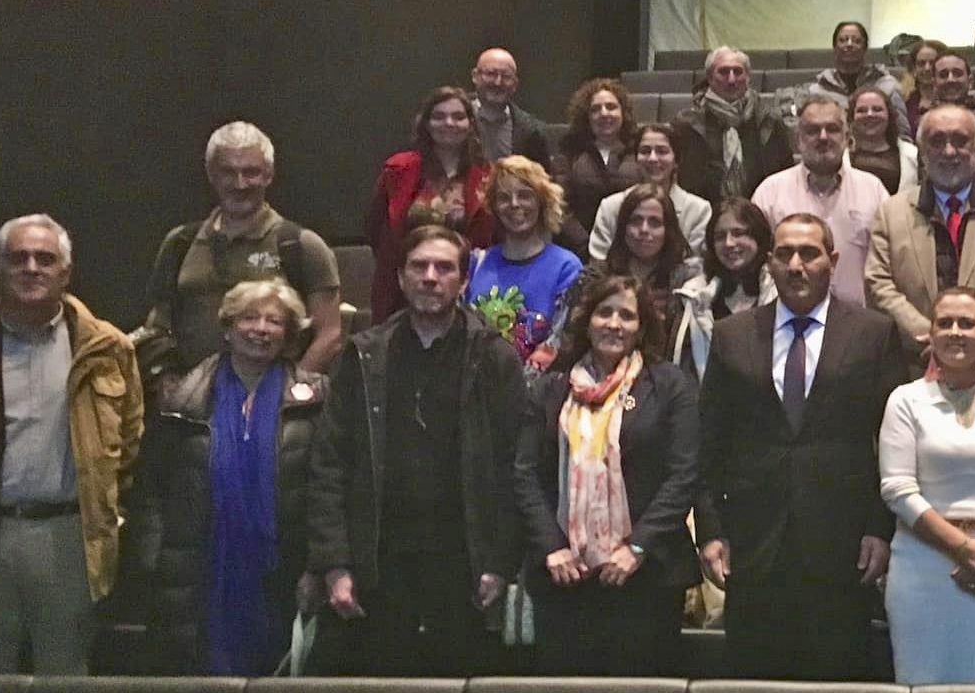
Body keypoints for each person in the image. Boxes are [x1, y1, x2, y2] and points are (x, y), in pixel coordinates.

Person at [0, 214, 143, 675]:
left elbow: (129, 439)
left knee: (66, 675)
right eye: (18, 258)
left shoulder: (108, 350)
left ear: (66, 272)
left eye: (45, 259)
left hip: (70, 539)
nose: (31, 268)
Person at [694, 212, 910, 681]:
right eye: (785, 254)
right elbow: (708, 443)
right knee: (753, 681)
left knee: (838, 680)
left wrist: (880, 528)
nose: (796, 265)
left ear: (832, 260)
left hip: (842, 546)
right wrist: (710, 530)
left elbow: (893, 442)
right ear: (769, 263)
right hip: (753, 545)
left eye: (809, 253)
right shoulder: (733, 335)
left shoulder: (873, 333)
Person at [307, 225, 529, 677]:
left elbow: (515, 467)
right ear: (401, 277)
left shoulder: (494, 358)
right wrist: (334, 564)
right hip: (378, 564)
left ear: (463, 282)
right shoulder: (363, 356)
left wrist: (501, 562)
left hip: (465, 564)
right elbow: (330, 465)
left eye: (444, 268)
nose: (430, 277)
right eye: (419, 266)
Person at [136, 280, 325, 675]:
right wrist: (155, 560)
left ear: (289, 334)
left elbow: (327, 491)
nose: (261, 329)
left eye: (275, 321)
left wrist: (318, 567)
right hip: (198, 574)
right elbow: (150, 487)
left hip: (282, 576)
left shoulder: (317, 399)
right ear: (227, 327)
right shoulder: (181, 398)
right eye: (249, 318)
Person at [515, 275, 701, 676]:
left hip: (647, 576)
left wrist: (637, 547)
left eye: (627, 316)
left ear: (642, 327)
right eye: (604, 312)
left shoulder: (670, 386)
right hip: (565, 577)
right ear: (587, 321)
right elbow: (525, 473)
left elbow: (684, 474)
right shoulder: (551, 389)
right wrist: (552, 547)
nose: (614, 324)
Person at [880, 287, 975, 683]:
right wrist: (963, 548)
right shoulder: (905, 400)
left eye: (967, 323)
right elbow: (897, 489)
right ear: (930, 334)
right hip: (921, 568)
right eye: (944, 323)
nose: (955, 332)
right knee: (921, 682)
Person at [135, 121, 343, 389]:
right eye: (228, 172)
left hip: (276, 400)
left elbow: (330, 335)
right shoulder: (180, 244)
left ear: (269, 175)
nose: (240, 184)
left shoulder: (299, 245)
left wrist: (289, 392)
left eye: (251, 172)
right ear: (211, 174)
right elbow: (157, 326)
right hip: (193, 400)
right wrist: (171, 386)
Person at [867, 105, 975, 386]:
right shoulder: (890, 212)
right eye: (937, 141)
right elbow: (878, 284)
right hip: (916, 367)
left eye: (960, 141)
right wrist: (934, 337)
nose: (949, 151)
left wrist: (971, 332)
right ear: (921, 150)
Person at [367, 85, 495, 319]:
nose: (449, 123)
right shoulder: (398, 170)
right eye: (439, 116)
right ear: (426, 123)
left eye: (458, 117)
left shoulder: (488, 177)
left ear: (471, 124)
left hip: (467, 289)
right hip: (403, 290)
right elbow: (375, 228)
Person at [752, 96, 888, 306]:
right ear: (798, 139)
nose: (823, 137)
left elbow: (888, 263)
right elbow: (756, 266)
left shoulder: (873, 190)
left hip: (858, 319)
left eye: (832, 129)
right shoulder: (769, 193)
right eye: (812, 130)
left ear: (847, 137)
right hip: (789, 320)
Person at [466, 155, 583, 364]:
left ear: (542, 201)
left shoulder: (566, 268)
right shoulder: (476, 263)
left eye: (524, 195)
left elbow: (562, 344)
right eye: (504, 198)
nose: (514, 204)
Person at [578, 185, 703, 360]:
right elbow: (574, 339)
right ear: (623, 227)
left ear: (668, 230)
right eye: (635, 220)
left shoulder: (686, 284)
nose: (644, 229)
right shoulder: (595, 279)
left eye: (655, 223)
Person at [672, 46, 795, 203]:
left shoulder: (770, 122)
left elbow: (786, 174)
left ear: (748, 78)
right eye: (723, 72)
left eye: (738, 72)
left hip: (760, 209)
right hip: (703, 212)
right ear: (709, 78)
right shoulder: (686, 125)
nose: (731, 80)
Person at [670, 198, 775, 378]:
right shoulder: (695, 297)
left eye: (738, 233)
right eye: (719, 237)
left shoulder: (779, 292)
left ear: (759, 237)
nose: (729, 243)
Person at [588, 122, 711, 262]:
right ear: (636, 159)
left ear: (676, 160)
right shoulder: (610, 207)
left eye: (662, 151)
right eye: (645, 151)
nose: (653, 158)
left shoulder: (698, 210)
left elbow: (695, 266)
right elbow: (599, 263)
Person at [547, 78, 643, 250]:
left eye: (611, 107)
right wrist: (586, 244)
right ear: (587, 117)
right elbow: (560, 204)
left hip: (633, 247)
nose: (604, 113)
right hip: (580, 248)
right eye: (595, 109)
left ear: (623, 112)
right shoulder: (569, 152)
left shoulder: (639, 149)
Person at [805, 21, 912, 138]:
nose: (849, 44)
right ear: (835, 48)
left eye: (856, 41)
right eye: (843, 40)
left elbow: (902, 132)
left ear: (865, 48)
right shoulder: (818, 91)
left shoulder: (887, 86)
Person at [469, 47, 550, 165]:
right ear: (475, 76)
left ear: (515, 84)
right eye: (491, 74)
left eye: (506, 76)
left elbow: (541, 175)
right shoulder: (451, 122)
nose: (498, 82)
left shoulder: (533, 133)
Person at [845, 85, 919, 194]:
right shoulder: (841, 157)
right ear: (852, 117)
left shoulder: (912, 155)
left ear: (889, 115)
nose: (870, 114)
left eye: (877, 109)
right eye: (862, 110)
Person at [928, 51, 975, 132]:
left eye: (957, 74)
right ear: (934, 83)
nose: (950, 79)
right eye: (943, 75)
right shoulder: (924, 121)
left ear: (970, 81)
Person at [903, 38, 949, 131]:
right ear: (914, 68)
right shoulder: (905, 100)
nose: (927, 68)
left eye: (933, 63)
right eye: (921, 63)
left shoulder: (954, 98)